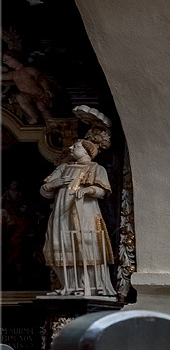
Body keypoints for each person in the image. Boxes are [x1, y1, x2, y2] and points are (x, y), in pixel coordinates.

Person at [40, 111, 116, 296]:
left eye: (77, 146)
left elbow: (102, 190)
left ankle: (88, 285)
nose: (72, 148)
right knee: (60, 243)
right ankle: (68, 285)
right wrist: (54, 184)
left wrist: (88, 190)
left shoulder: (95, 168)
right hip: (61, 214)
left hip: (84, 212)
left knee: (85, 243)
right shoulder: (63, 168)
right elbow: (44, 191)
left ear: (87, 150)